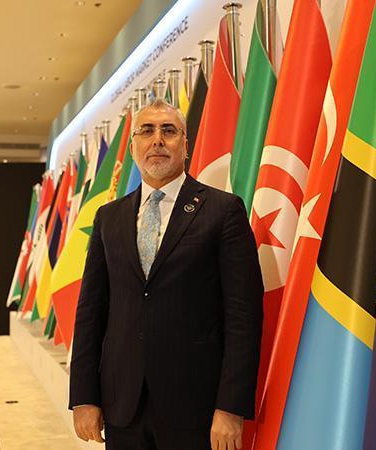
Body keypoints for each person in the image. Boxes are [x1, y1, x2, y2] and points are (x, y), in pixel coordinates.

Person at [69, 99, 263, 450]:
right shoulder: (108, 218)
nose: (157, 139)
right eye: (146, 131)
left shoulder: (223, 211)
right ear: (133, 147)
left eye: (169, 130)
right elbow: (90, 313)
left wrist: (231, 408)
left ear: (185, 146)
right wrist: (84, 397)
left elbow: (243, 316)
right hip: (122, 406)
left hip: (197, 409)